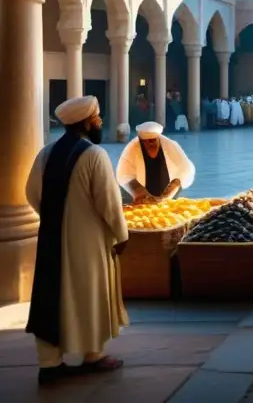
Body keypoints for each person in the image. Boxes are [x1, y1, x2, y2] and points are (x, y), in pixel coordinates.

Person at [26, 96, 129, 385]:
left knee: (50, 293)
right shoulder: (94, 155)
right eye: (96, 118)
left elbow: (31, 192)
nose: (99, 121)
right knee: (89, 294)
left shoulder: (46, 153)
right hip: (89, 241)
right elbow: (110, 202)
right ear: (85, 122)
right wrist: (121, 235)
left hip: (52, 238)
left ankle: (50, 363)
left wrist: (53, 217)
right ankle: (93, 355)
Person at [116, 122, 196, 203]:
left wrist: (174, 185)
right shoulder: (132, 148)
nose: (149, 145)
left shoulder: (170, 145)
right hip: (140, 198)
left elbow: (187, 169)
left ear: (158, 139)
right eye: (145, 142)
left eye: (152, 141)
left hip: (167, 197)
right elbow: (123, 175)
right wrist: (139, 191)